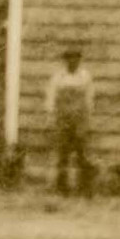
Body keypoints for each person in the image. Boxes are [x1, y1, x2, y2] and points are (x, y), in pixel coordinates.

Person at [45, 46, 97, 196]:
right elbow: (51, 98)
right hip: (63, 120)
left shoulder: (85, 76)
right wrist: (51, 116)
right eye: (69, 59)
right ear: (65, 60)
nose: (72, 61)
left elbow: (89, 99)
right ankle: (62, 188)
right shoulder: (58, 77)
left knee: (82, 153)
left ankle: (84, 188)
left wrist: (88, 119)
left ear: (79, 60)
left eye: (76, 58)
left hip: (80, 119)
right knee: (63, 153)